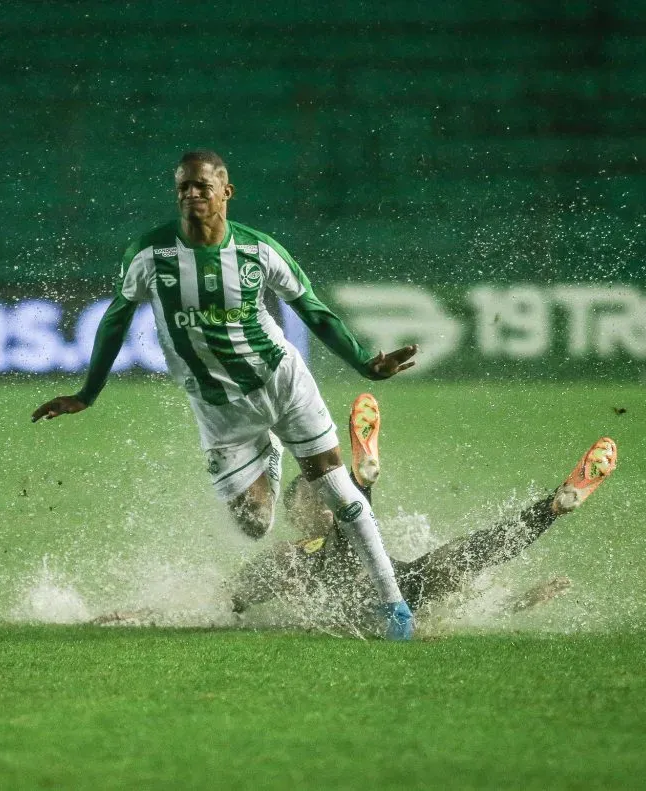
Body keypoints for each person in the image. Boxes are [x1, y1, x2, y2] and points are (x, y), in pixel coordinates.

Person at [32, 150, 419, 639]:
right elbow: (115, 319)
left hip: (281, 383)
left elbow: (315, 311)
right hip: (218, 409)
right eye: (184, 187)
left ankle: (395, 609)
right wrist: (88, 393)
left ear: (225, 192)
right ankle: (270, 452)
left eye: (202, 186)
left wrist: (365, 360)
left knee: (336, 489)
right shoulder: (150, 254)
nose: (192, 194)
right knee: (255, 524)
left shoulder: (259, 251)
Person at [228, 393, 619, 634]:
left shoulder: (332, 546)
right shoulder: (292, 554)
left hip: (389, 590)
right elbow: (238, 595)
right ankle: (552, 508)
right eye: (311, 501)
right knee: (451, 558)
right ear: (295, 515)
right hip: (378, 593)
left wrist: (520, 601)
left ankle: (553, 507)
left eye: (322, 497)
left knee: (459, 558)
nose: (319, 506)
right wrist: (233, 605)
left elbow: (464, 606)